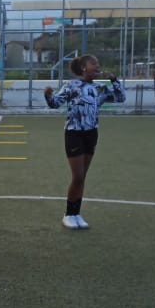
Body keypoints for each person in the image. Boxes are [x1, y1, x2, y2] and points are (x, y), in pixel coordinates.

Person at [43, 55, 125, 229]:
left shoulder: (100, 87)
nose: (97, 66)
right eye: (93, 63)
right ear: (83, 68)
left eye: (98, 63)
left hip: (91, 133)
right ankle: (68, 214)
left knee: (82, 177)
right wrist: (48, 95)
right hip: (74, 133)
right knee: (78, 176)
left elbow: (120, 97)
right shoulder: (71, 85)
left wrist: (114, 80)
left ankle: (76, 214)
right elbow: (55, 104)